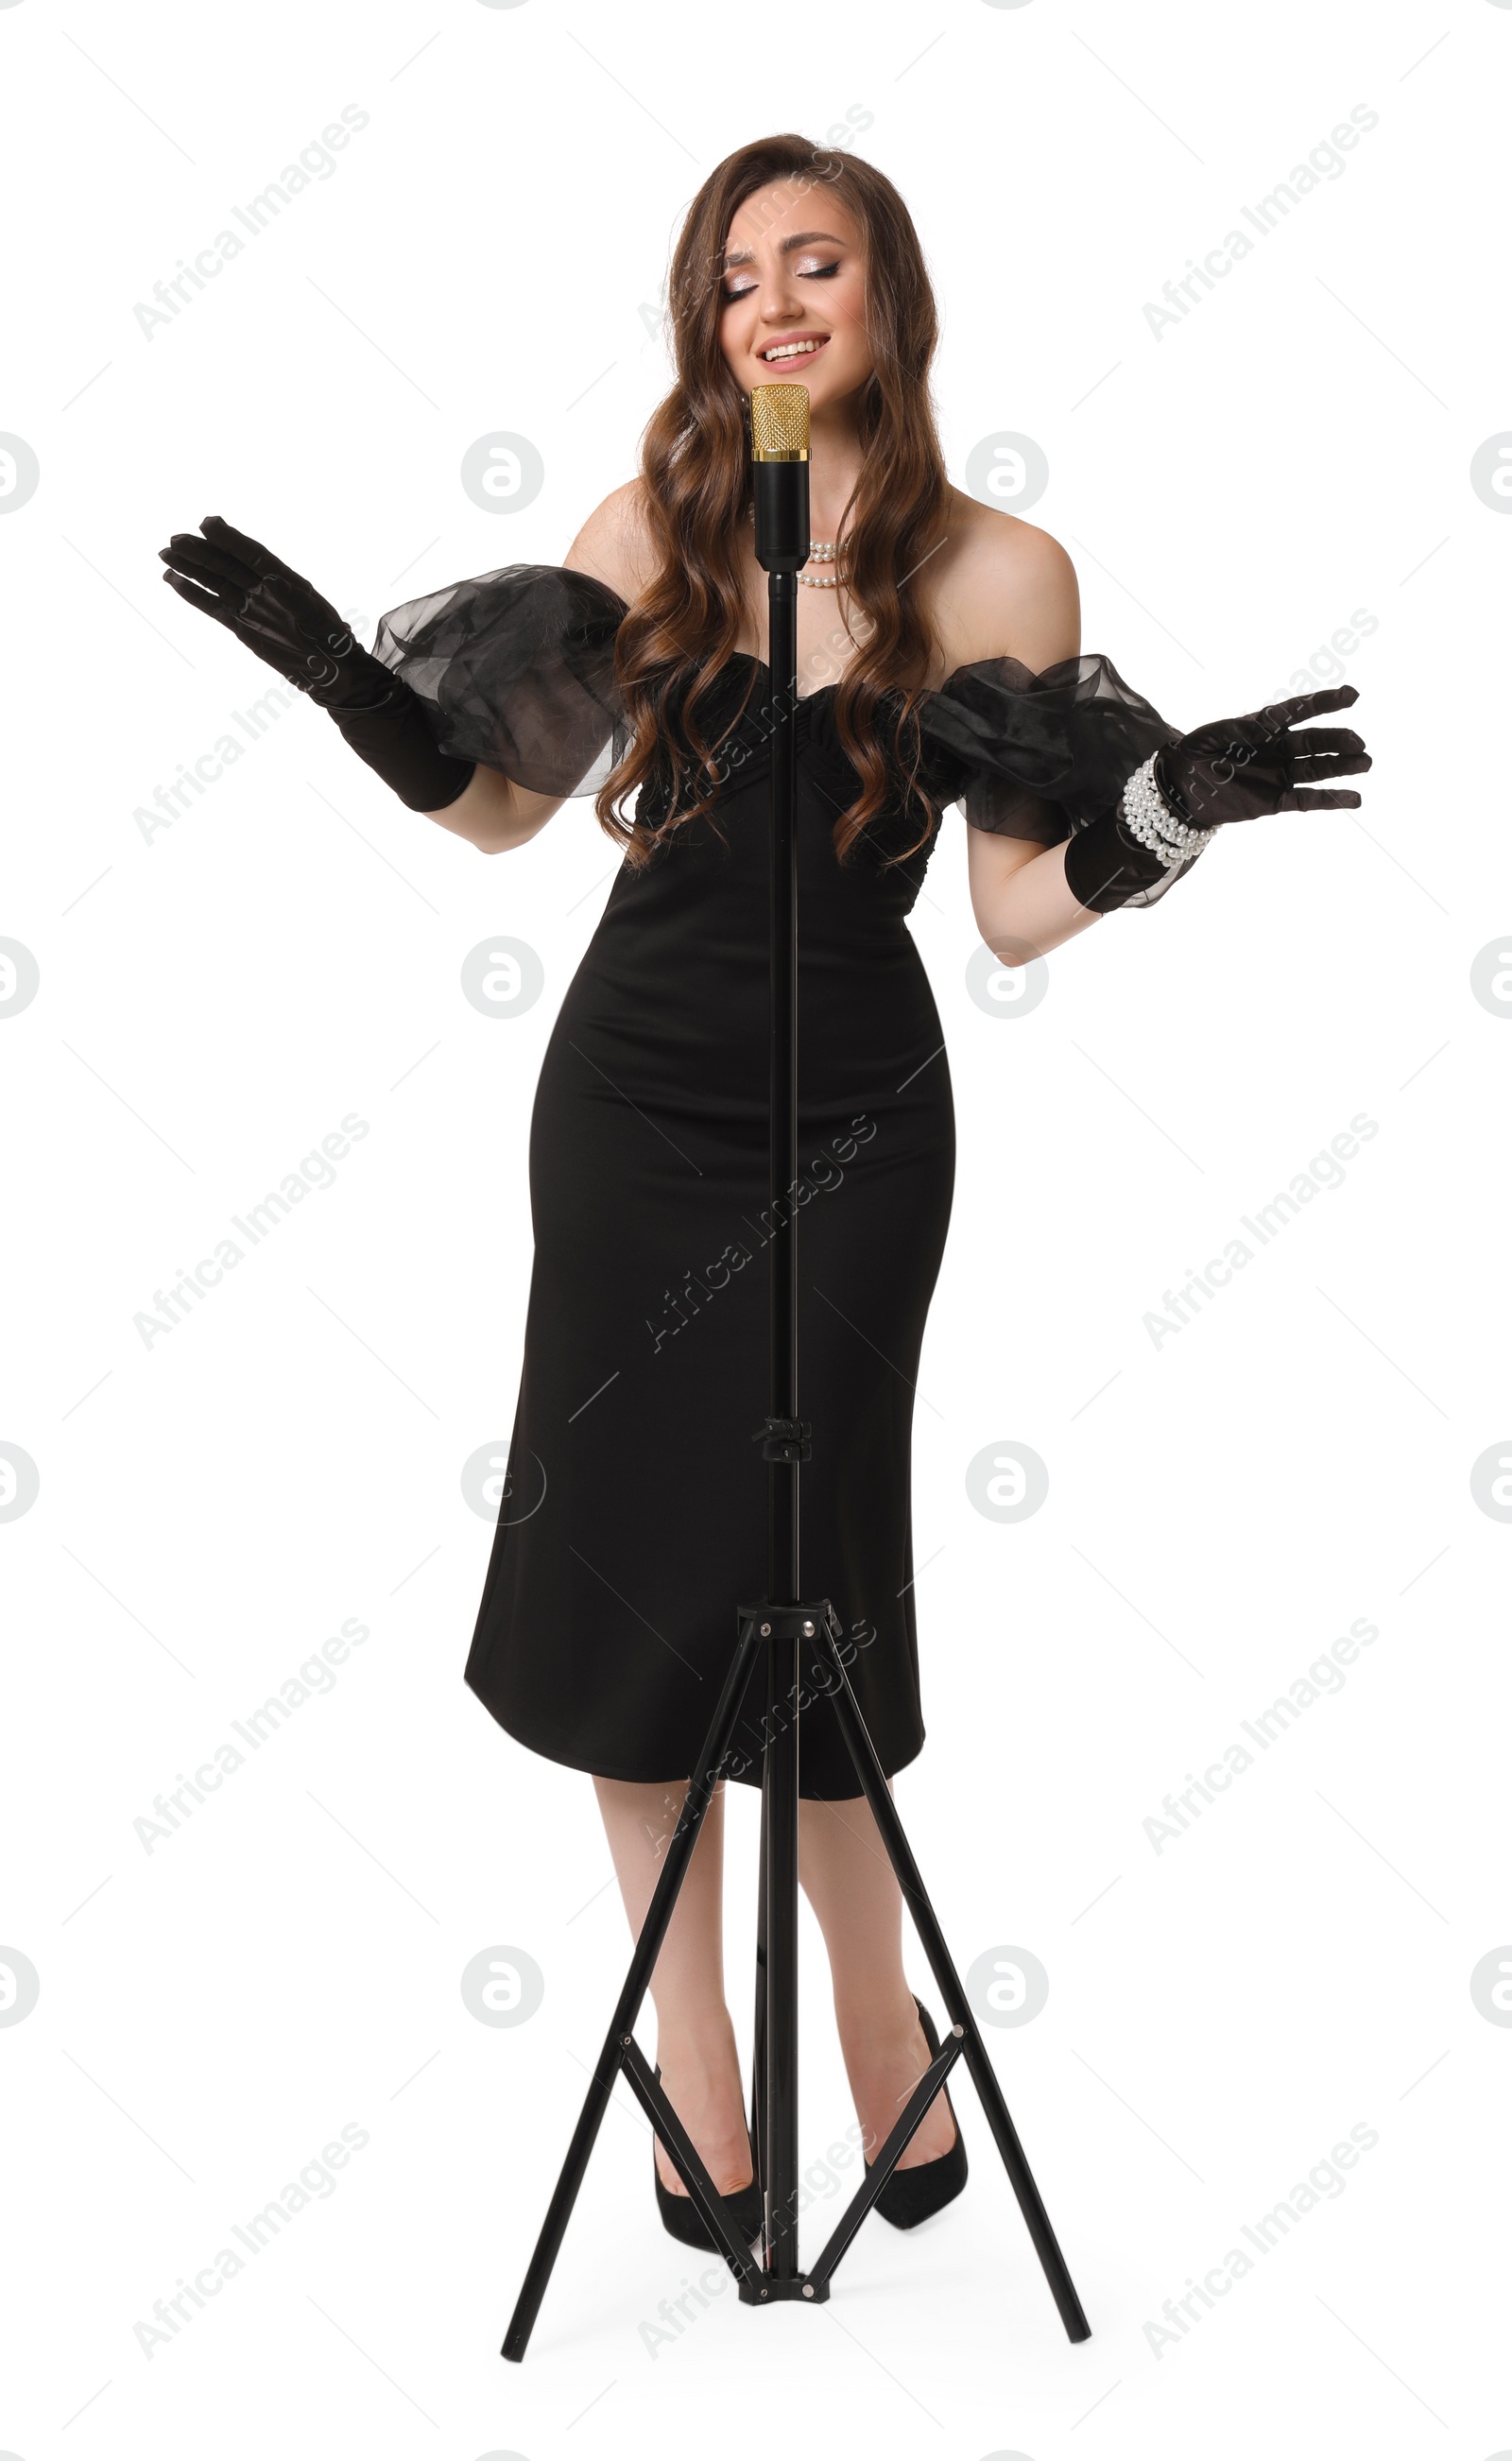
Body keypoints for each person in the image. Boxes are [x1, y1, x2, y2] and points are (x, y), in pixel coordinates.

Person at [158, 133, 1368, 2253]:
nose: (775, 304)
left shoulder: (1001, 574)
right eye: (735, 279)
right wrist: (353, 691)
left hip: (854, 1132)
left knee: (810, 1571)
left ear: (890, 295)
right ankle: (698, 2088)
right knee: (633, 1575)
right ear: (703, 323)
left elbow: (1007, 907)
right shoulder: (651, 530)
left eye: (817, 264)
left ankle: (878, 2034)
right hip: (631, 1108)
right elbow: (503, 817)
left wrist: (1161, 806)